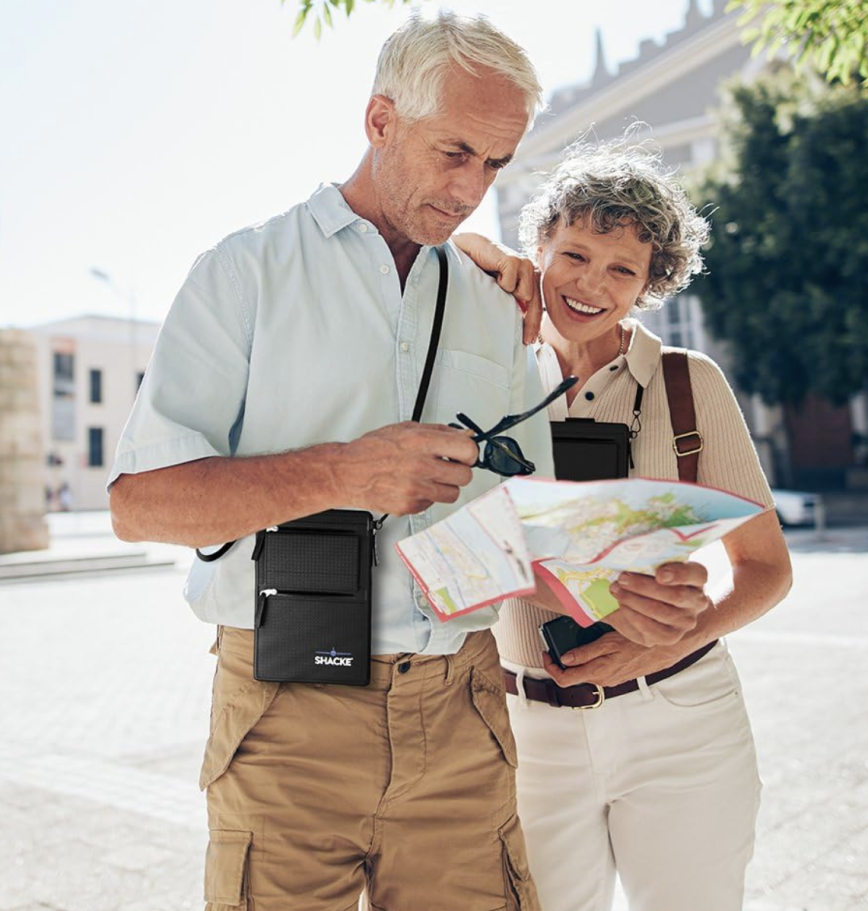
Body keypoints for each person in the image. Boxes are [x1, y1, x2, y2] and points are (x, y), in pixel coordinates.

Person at [106, 16, 708, 911]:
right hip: (285, 719)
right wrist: (343, 472)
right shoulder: (246, 272)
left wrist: (623, 588)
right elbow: (139, 506)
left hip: (464, 713)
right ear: (379, 120)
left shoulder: (493, 302)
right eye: (454, 151)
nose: (471, 189)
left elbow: (519, 526)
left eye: (496, 164)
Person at [454, 140, 793, 911]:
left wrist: (680, 631)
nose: (590, 284)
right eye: (573, 254)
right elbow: (439, 556)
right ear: (535, 247)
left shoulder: (688, 384)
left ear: (649, 285)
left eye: (622, 270)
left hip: (679, 718)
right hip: (523, 728)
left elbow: (768, 568)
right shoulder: (481, 375)